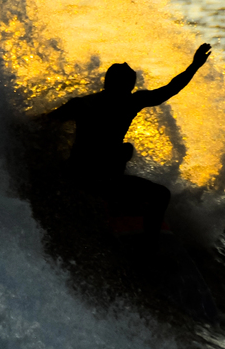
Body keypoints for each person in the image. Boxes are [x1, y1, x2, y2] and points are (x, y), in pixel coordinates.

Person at [46, 43, 212, 236]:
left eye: (128, 88)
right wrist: (195, 65)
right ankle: (146, 246)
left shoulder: (98, 103)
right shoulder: (115, 103)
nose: (127, 91)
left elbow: (169, 90)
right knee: (156, 188)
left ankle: (121, 211)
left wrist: (195, 66)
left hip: (94, 176)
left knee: (125, 152)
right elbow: (170, 89)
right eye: (126, 87)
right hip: (87, 177)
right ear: (117, 85)